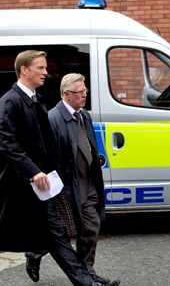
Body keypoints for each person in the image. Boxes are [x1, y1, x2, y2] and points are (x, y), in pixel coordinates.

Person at [0, 50, 119, 286]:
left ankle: (87, 281)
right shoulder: (9, 101)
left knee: (57, 236)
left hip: (42, 185)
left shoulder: (35, 99)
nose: (46, 72)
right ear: (24, 70)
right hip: (22, 186)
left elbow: (47, 145)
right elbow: (5, 141)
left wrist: (54, 173)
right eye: (41, 68)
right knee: (42, 234)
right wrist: (33, 170)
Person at [25, 73, 111, 284]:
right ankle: (35, 253)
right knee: (61, 233)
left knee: (91, 227)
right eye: (79, 92)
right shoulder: (53, 118)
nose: (84, 95)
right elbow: (45, 156)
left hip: (87, 182)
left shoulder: (84, 115)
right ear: (66, 94)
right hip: (65, 187)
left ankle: (87, 273)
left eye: (85, 91)